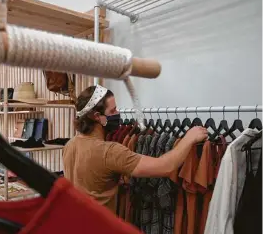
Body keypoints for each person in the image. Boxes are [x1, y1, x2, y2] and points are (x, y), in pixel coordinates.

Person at [63, 85, 207, 211]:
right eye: (113, 111)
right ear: (97, 117)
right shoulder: (110, 152)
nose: (118, 113)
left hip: (74, 229)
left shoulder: (69, 146)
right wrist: (189, 139)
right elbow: (165, 167)